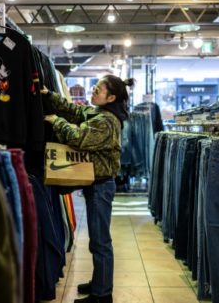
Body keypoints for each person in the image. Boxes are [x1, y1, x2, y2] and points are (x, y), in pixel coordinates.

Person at [41, 75, 134, 303]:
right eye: (95, 87)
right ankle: (99, 283)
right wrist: (49, 95)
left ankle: (102, 295)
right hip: (96, 184)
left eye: (98, 89)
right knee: (97, 240)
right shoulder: (98, 113)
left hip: (101, 186)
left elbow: (78, 138)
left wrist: (56, 121)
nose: (94, 91)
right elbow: (76, 111)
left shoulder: (106, 121)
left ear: (111, 97)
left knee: (100, 241)